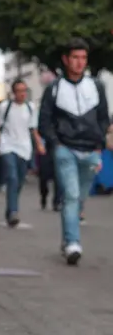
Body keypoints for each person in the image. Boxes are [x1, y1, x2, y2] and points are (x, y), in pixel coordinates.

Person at [39, 38, 110, 265]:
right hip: (65, 149)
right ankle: (72, 243)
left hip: (91, 150)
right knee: (70, 196)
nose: (79, 63)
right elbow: (45, 120)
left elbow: (103, 117)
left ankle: (68, 237)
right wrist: (56, 143)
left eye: (83, 58)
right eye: (75, 58)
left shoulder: (96, 86)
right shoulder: (55, 88)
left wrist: (99, 142)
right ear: (66, 60)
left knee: (79, 198)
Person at [0, 79, 45, 227]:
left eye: (24, 90)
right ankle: (13, 211)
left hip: (24, 148)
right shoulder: (5, 107)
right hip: (7, 146)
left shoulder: (31, 108)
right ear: (13, 93)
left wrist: (39, 144)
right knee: (12, 178)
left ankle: (10, 208)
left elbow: (33, 129)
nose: (22, 94)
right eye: (19, 91)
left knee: (19, 181)